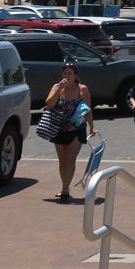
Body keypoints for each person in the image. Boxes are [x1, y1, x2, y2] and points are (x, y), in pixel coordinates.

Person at [44, 62, 96, 202]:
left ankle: (65, 189)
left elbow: (87, 109)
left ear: (75, 76)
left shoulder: (82, 89)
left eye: (69, 73)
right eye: (65, 73)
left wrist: (91, 126)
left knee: (71, 158)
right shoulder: (56, 87)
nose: (67, 76)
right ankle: (64, 186)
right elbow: (49, 103)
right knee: (62, 160)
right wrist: (59, 89)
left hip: (77, 129)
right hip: (59, 129)